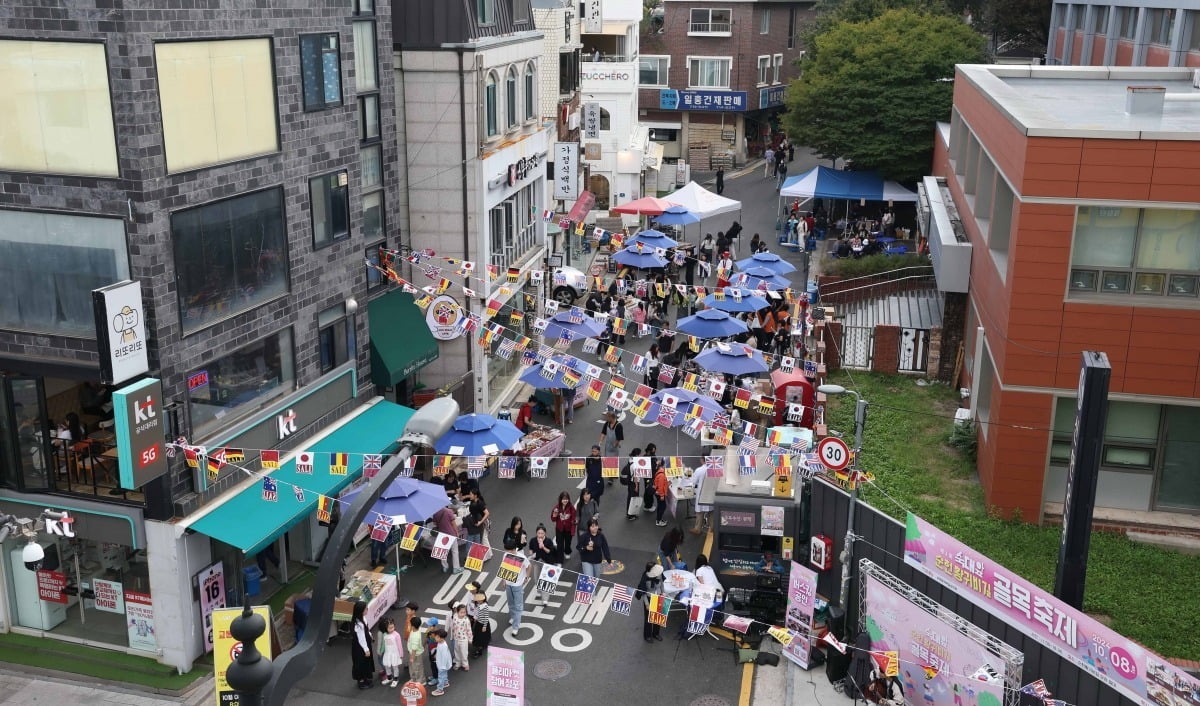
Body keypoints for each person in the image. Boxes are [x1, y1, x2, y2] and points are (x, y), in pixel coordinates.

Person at [636, 563, 665, 642]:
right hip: (649, 598)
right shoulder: (645, 578)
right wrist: (646, 604)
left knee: (657, 616)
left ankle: (656, 633)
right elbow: (643, 592)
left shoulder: (659, 574)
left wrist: (663, 593)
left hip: (658, 597)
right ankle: (647, 636)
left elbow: (662, 584)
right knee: (648, 619)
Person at [350, 600, 375, 689]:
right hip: (360, 648)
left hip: (364, 644)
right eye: (365, 609)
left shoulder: (362, 619)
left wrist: (370, 635)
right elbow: (361, 639)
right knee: (361, 663)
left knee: (365, 662)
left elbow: (366, 630)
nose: (367, 610)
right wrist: (366, 649)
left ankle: (365, 678)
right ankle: (361, 681)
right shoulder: (358, 624)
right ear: (361, 611)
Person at [431, 506, 462, 574]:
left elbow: (434, 523)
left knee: (443, 551)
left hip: (442, 535)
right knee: (455, 551)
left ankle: (445, 566)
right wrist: (457, 532)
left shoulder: (435, 513)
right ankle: (456, 568)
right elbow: (453, 524)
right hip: (451, 534)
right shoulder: (449, 511)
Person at [504, 552, 530, 632]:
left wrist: (526, 577)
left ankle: (515, 627)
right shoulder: (505, 555)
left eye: (509, 550)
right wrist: (503, 580)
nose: (508, 552)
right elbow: (504, 567)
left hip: (518, 584)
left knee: (518, 606)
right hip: (508, 583)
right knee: (510, 603)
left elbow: (529, 566)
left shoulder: (522, 557)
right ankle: (513, 617)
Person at [378, 617, 405, 687]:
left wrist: (401, 655)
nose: (392, 629)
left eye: (393, 627)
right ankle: (389, 678)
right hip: (387, 654)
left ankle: (396, 679)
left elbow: (400, 646)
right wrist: (381, 651)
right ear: (385, 628)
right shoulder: (385, 634)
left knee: (395, 667)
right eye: (390, 628)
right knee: (387, 666)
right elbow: (384, 644)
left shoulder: (396, 635)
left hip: (395, 654)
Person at [599, 412, 623, 485]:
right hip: (608, 446)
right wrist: (600, 441)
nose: (606, 418)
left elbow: (619, 437)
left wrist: (615, 444)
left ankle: (611, 478)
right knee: (608, 461)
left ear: (612, 417)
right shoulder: (607, 423)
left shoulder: (619, 425)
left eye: (607, 417)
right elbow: (603, 433)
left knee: (612, 462)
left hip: (614, 447)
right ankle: (612, 475)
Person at [551, 491, 577, 560]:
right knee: (559, 544)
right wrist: (554, 515)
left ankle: (567, 552)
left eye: (566, 499)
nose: (565, 500)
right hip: (559, 529)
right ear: (560, 499)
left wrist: (573, 531)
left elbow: (574, 519)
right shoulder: (557, 507)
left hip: (568, 529)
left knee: (568, 543)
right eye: (563, 499)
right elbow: (553, 519)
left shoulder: (571, 508)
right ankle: (560, 558)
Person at [620, 447, 643, 520]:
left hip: (630, 482)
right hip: (634, 483)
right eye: (639, 454)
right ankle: (630, 515)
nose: (640, 455)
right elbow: (636, 476)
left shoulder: (630, 460)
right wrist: (636, 486)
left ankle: (630, 513)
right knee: (633, 499)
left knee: (630, 497)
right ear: (637, 455)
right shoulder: (635, 464)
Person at [450, 603, 472, 671]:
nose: (463, 614)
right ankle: (458, 663)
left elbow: (469, 630)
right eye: (461, 612)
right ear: (457, 612)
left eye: (464, 612)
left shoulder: (466, 620)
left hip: (464, 639)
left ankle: (465, 664)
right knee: (457, 651)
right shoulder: (455, 617)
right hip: (456, 638)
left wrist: (470, 639)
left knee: (464, 652)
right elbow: (453, 626)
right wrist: (452, 635)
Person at [470, 592, 491, 657]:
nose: (477, 601)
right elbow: (478, 613)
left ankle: (480, 650)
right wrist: (475, 617)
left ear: (482, 600)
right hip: (479, 623)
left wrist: (484, 626)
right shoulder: (479, 605)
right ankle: (481, 645)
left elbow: (486, 617)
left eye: (478, 600)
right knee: (478, 635)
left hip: (483, 624)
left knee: (481, 637)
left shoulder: (485, 607)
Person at [431, 629, 452, 696]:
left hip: (442, 665)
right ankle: (445, 682)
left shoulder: (443, 646)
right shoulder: (441, 643)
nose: (435, 638)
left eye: (436, 637)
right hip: (442, 664)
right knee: (444, 675)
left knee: (441, 676)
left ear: (441, 638)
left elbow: (444, 657)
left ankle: (440, 689)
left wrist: (442, 667)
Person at [406, 615, 426, 685]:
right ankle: (414, 678)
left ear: (413, 626)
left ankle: (421, 681)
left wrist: (412, 657)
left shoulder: (415, 636)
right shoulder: (415, 631)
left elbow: (414, 649)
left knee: (417, 668)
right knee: (413, 667)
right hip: (413, 653)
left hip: (415, 655)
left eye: (410, 624)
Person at [653, 462, 671, 527]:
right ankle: (658, 520)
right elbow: (660, 487)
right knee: (662, 507)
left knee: (660, 506)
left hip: (658, 493)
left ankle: (659, 519)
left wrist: (667, 484)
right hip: (659, 493)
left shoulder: (660, 472)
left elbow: (662, 484)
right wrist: (662, 495)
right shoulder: (662, 475)